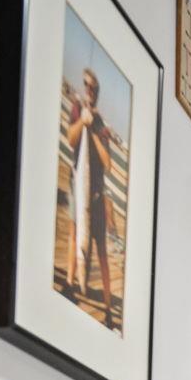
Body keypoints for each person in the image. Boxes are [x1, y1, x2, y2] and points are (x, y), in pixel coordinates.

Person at [61, 68, 117, 327]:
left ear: (97, 92)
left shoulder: (102, 126)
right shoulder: (77, 110)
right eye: (85, 85)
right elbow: (71, 140)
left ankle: (107, 309)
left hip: (94, 195)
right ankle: (70, 284)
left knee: (103, 253)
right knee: (74, 235)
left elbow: (108, 164)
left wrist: (92, 129)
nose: (88, 90)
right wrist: (82, 121)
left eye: (92, 87)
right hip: (78, 184)